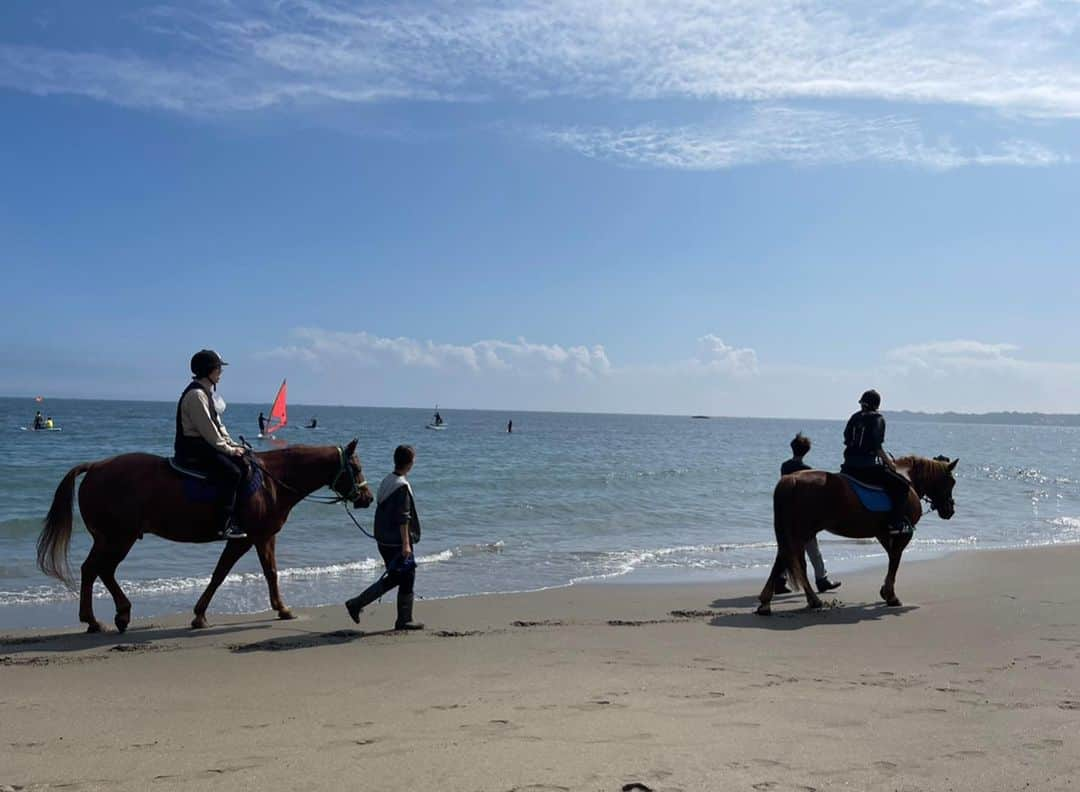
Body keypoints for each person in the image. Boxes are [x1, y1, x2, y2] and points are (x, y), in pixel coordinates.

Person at [345, 445, 424, 631]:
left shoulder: (387, 480)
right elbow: (403, 517)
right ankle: (401, 619)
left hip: (384, 540)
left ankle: (359, 604)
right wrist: (406, 544)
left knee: (399, 576)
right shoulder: (402, 486)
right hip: (397, 541)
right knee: (407, 575)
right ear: (410, 463)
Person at [174, 349, 248, 540]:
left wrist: (233, 444)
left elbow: (218, 426)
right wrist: (229, 450)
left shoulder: (206, 392)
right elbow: (208, 430)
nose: (220, 373)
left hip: (204, 444)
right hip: (193, 448)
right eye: (218, 369)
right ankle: (223, 524)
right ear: (208, 370)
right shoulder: (197, 395)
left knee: (245, 461)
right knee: (232, 473)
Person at [775, 433, 841, 594]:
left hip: (786, 512)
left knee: (786, 547)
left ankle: (780, 579)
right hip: (802, 515)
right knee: (813, 550)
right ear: (806, 452)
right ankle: (821, 579)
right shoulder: (808, 471)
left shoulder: (785, 466)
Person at [841, 389, 913, 535]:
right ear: (877, 405)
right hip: (866, 468)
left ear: (862, 403)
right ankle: (895, 524)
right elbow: (877, 447)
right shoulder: (878, 419)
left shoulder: (854, 417)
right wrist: (891, 465)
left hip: (848, 467)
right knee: (902, 485)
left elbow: (847, 440)